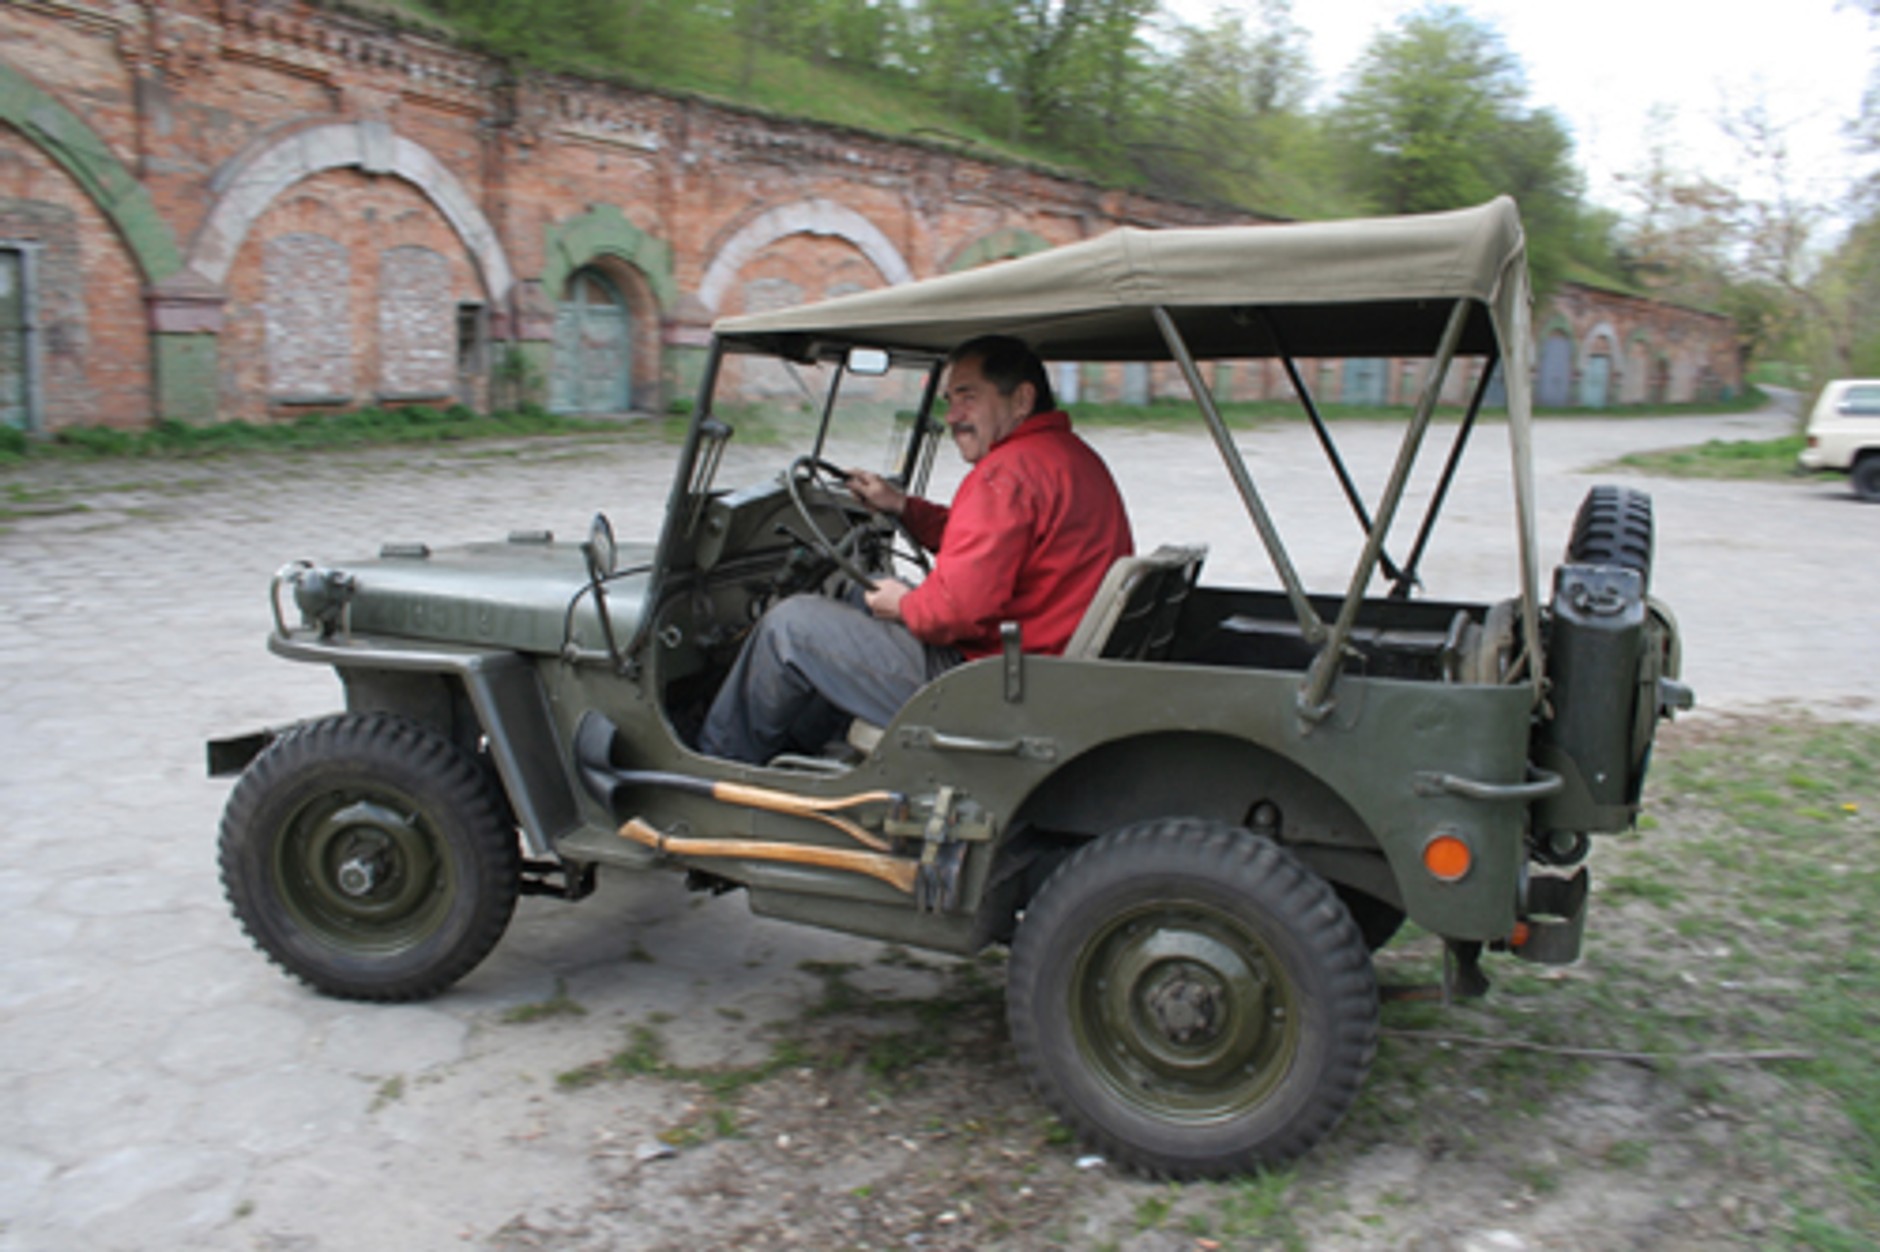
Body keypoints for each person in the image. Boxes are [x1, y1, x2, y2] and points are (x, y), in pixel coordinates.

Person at [697, 334, 1134, 765]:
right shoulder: (1065, 457)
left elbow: (953, 612)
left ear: (1021, 400)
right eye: (948, 400)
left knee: (789, 627)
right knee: (856, 598)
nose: (953, 416)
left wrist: (904, 604)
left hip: (989, 682)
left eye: (968, 397)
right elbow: (993, 546)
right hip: (1039, 666)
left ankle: (716, 767)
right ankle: (812, 748)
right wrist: (903, 507)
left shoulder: (1006, 474)